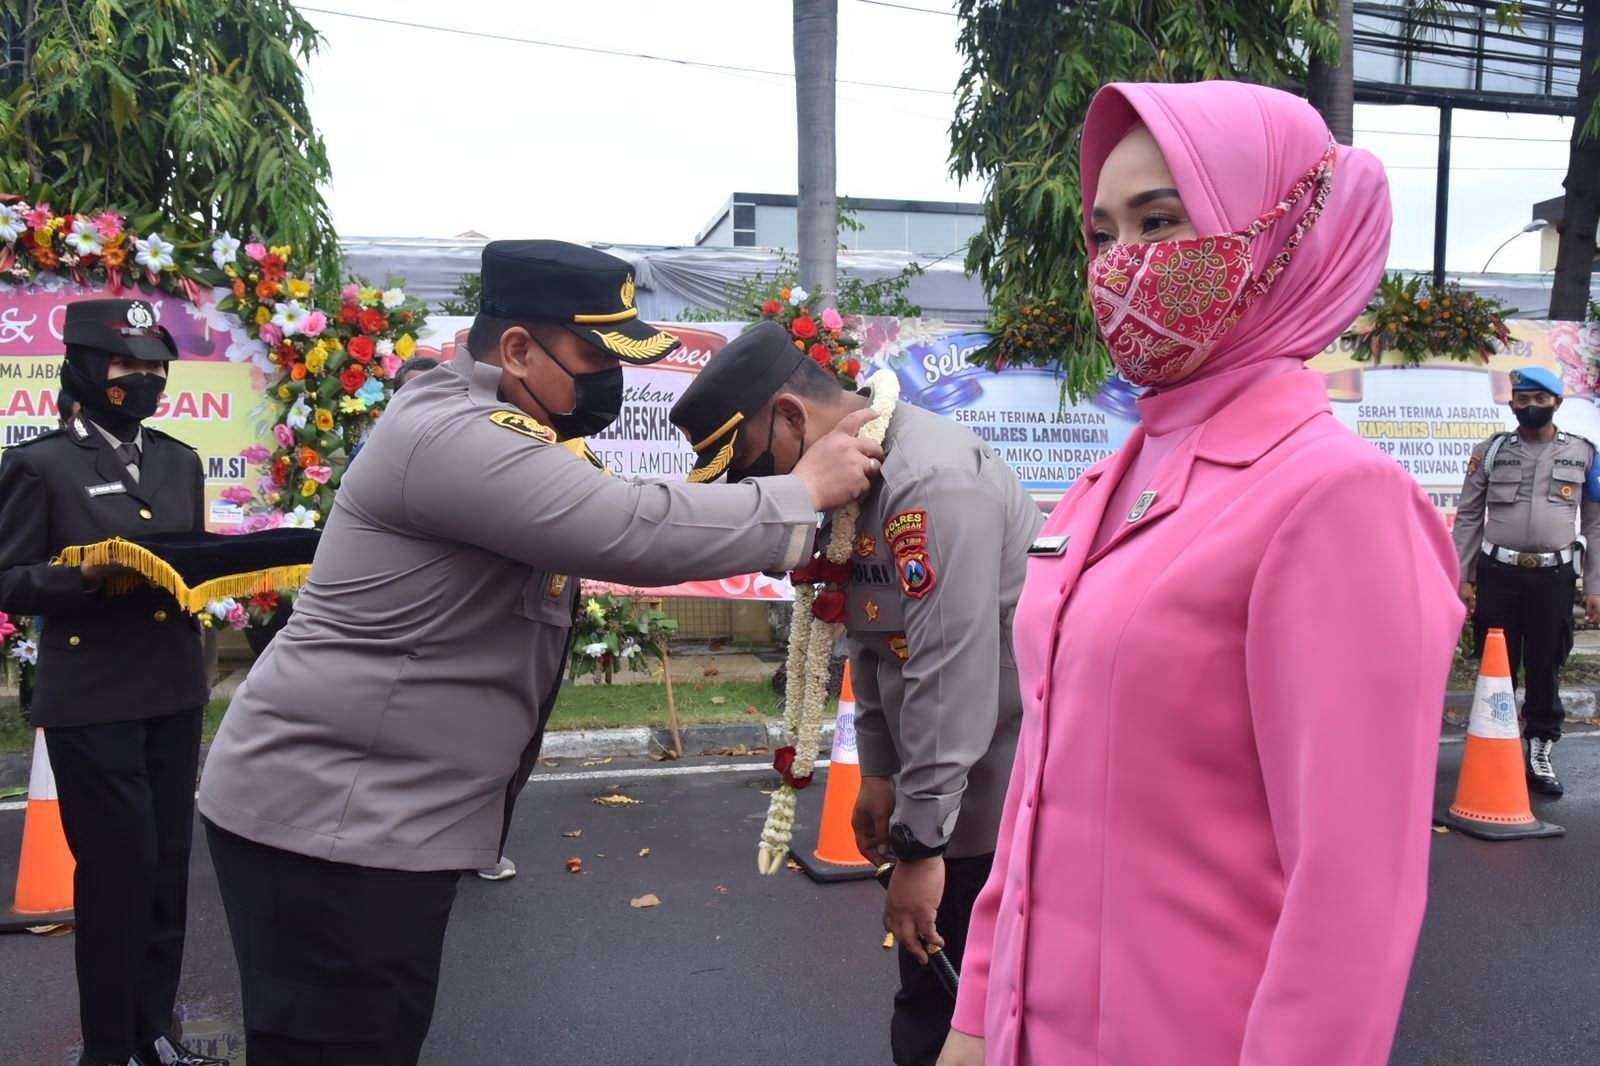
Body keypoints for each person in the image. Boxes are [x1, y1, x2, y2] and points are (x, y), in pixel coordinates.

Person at [196, 240, 883, 1066]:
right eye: (594, 356)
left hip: (361, 817)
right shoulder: (452, 434)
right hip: (328, 824)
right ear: (517, 349)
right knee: (342, 1046)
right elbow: (626, 525)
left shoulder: (502, 428)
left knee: (369, 1037)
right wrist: (802, 492)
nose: (611, 382)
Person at [937, 82, 1464, 1066]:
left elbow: (1349, 900)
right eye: (1103, 233)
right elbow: (1036, 792)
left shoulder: (1334, 501)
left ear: (1273, 237)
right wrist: (974, 1017)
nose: (1124, 265)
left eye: (1161, 220)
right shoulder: (1108, 481)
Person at [668, 321, 1042, 1065]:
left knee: (968, 1016)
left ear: (791, 417)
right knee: (932, 1000)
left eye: (754, 471)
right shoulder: (857, 479)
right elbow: (875, 638)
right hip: (942, 791)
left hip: (994, 807)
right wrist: (876, 772)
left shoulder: (928, 484)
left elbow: (949, 667)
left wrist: (921, 845)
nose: (763, 496)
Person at [0, 299, 224, 1066]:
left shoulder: (178, 460)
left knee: (166, 871)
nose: (147, 381)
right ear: (90, 370)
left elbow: (188, 555)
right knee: (117, 872)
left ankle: (155, 1032)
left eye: (157, 369)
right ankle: (108, 1046)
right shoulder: (39, 464)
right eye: (130, 367)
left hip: (172, 689)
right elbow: (10, 580)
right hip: (92, 697)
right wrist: (87, 576)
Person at [1452, 366, 1600, 796]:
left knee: (1545, 664)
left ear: (1557, 402)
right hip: (1498, 575)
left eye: (1539, 399)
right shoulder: (1492, 451)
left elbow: (1594, 526)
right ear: (1512, 403)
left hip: (1554, 578)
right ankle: (1493, 742)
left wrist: (1594, 586)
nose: (1530, 406)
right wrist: (1463, 575)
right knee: (1496, 664)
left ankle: (1539, 748)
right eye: (1522, 399)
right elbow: (1468, 517)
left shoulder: (1584, 454)